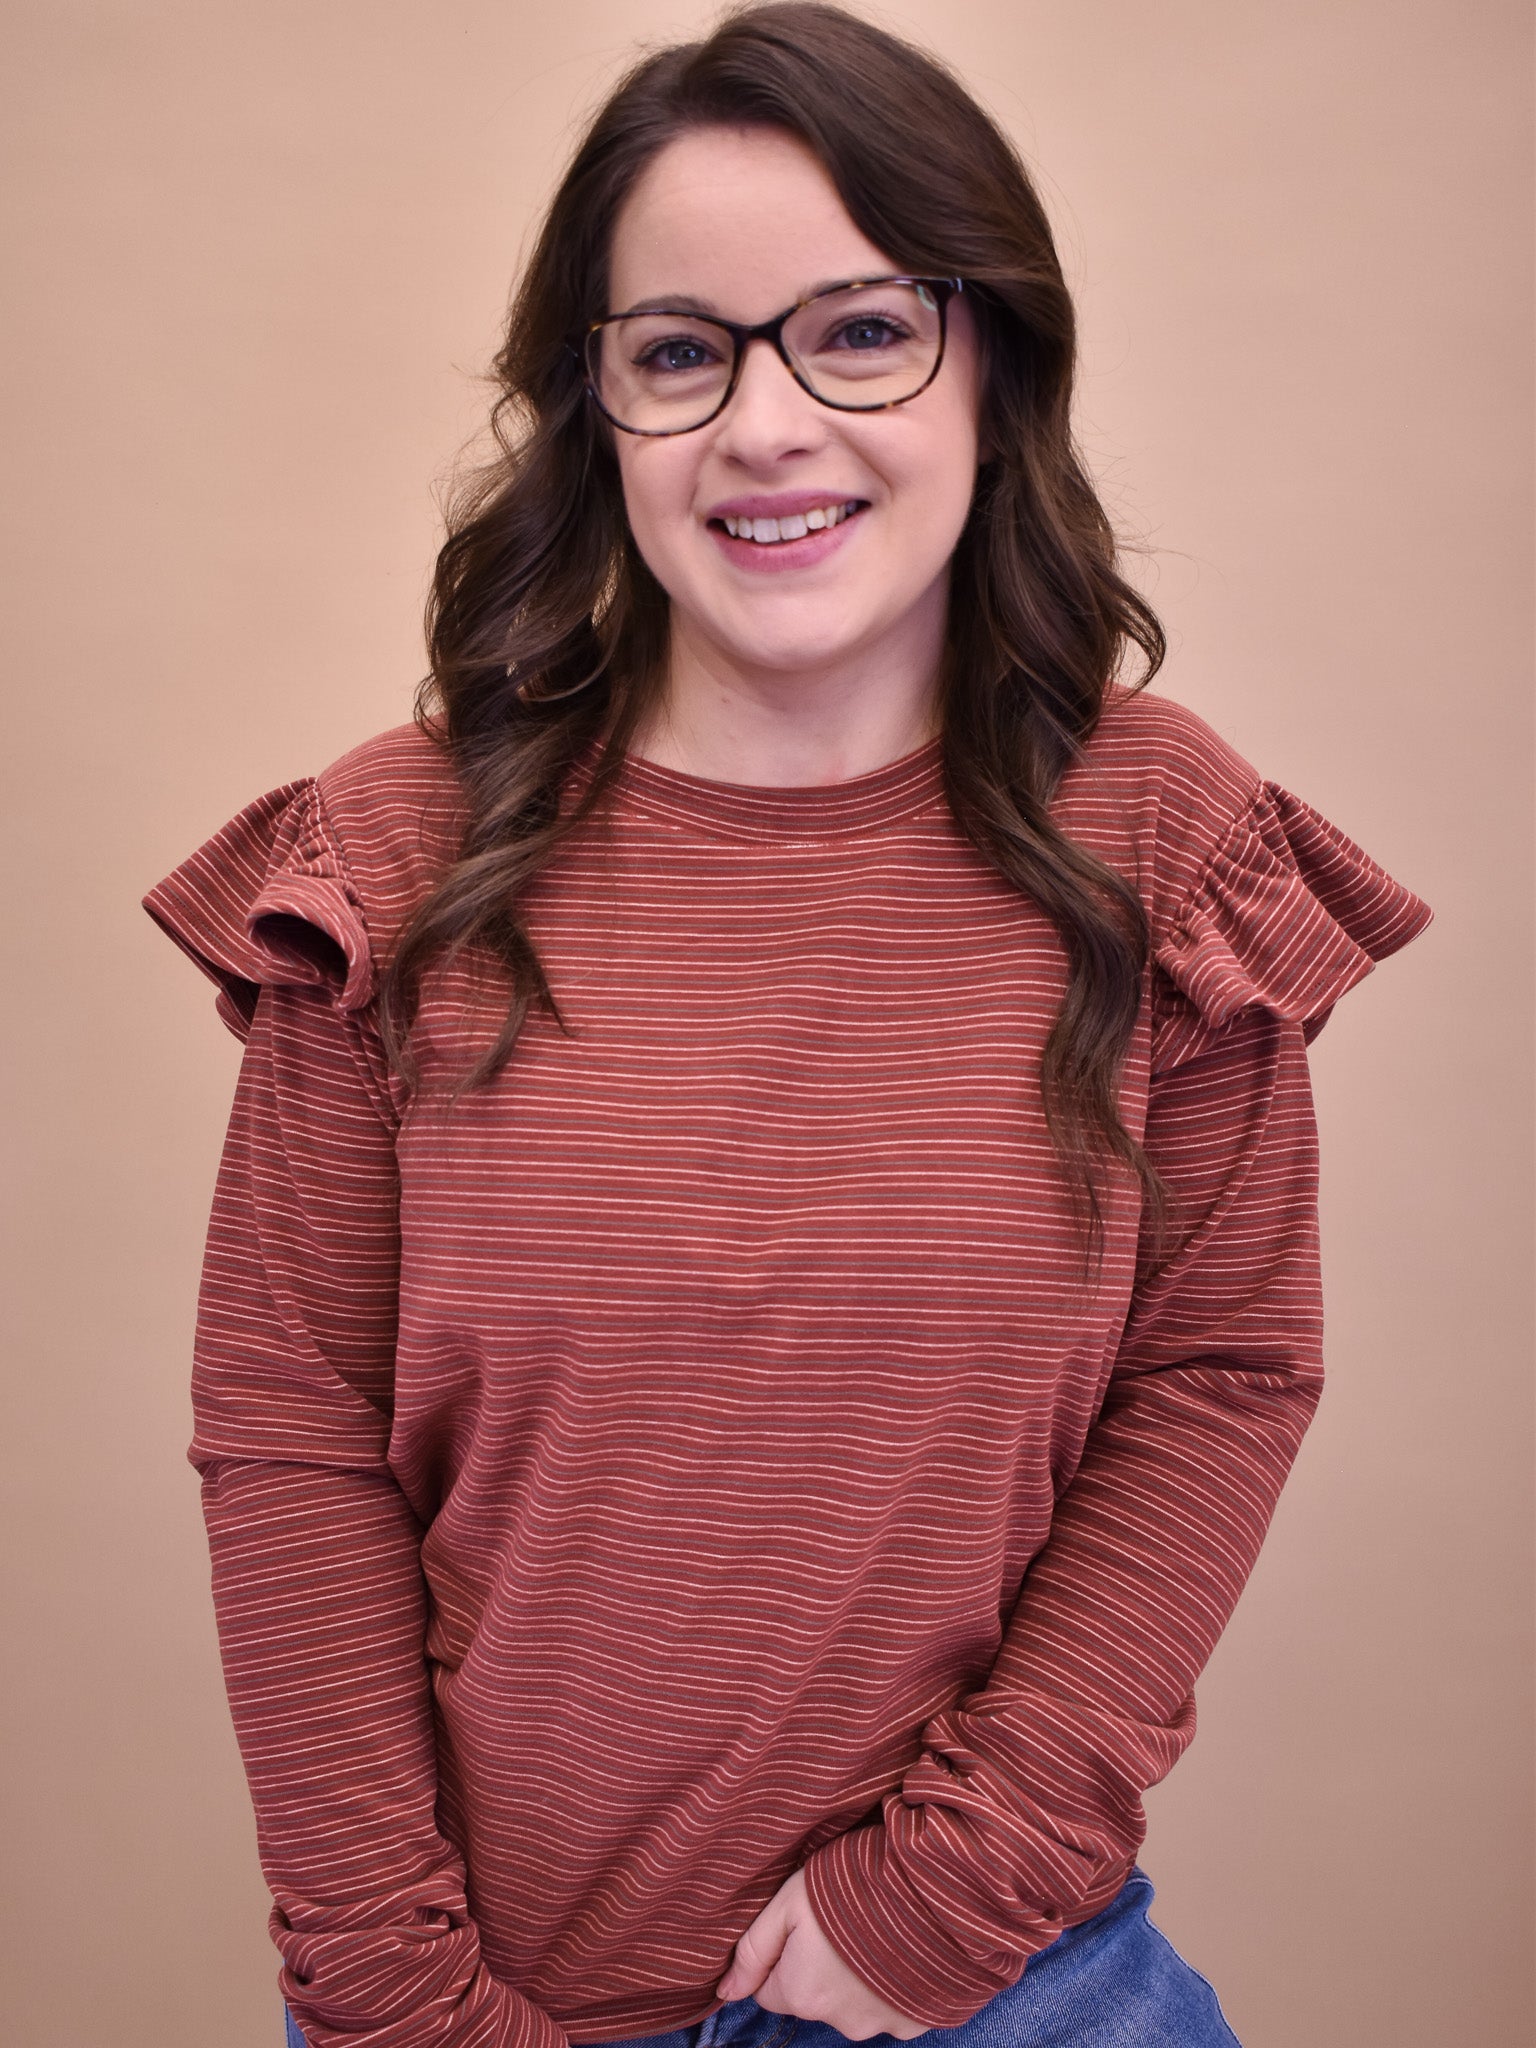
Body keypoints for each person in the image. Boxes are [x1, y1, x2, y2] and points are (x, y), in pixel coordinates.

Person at [142, 7, 1433, 2047]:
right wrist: (391, 1993)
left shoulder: (1166, 838)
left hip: (1003, 1989)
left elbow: (1220, 1372)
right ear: (600, 414)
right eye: (680, 349)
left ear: (991, 364)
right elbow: (291, 1441)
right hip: (480, 2005)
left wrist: (956, 1879)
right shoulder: (386, 857)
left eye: (856, 330)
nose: (766, 425)